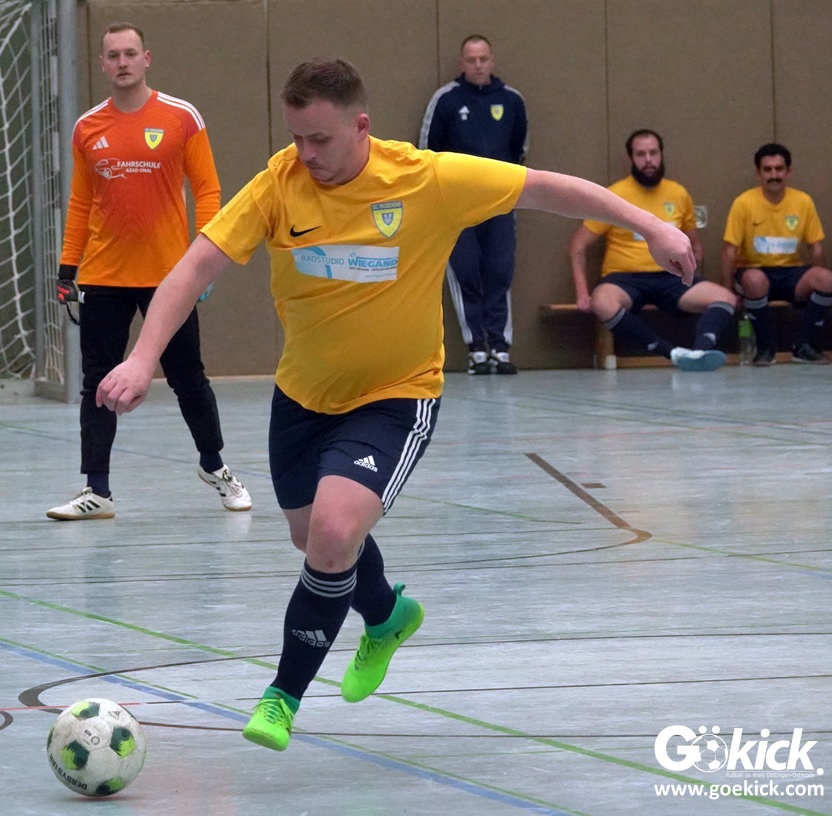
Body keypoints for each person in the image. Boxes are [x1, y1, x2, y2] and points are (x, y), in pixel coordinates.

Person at [97, 58, 696, 751]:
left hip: (396, 396)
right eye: (296, 138)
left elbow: (548, 189)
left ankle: (281, 697)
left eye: (320, 139)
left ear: (361, 126)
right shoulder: (279, 185)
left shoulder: (427, 179)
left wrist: (650, 226)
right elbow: (195, 266)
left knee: (332, 533)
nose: (306, 153)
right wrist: (142, 357)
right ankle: (385, 616)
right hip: (302, 396)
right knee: (313, 538)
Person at [46, 22, 250, 520]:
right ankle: (97, 490)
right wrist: (67, 269)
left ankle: (215, 466)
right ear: (102, 64)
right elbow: (80, 204)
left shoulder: (182, 117)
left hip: (168, 277)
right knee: (98, 383)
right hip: (102, 277)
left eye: (130, 53)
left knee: (188, 378)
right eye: (113, 55)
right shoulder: (87, 127)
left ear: (146, 59)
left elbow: (208, 191)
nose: (122, 62)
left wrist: (203, 262)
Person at [569, 129, 735, 371]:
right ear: (631, 158)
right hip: (624, 279)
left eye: (653, 153)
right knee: (602, 302)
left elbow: (695, 245)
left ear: (661, 154)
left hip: (671, 278)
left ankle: (700, 353)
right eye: (641, 154)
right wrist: (582, 293)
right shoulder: (614, 195)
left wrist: (691, 272)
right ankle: (672, 354)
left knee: (725, 298)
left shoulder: (678, 193)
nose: (648, 160)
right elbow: (578, 245)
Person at [419, 35, 528, 375]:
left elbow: (519, 149)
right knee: (465, 270)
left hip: (500, 200)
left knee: (499, 270)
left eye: (483, 58)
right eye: (471, 59)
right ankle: (476, 349)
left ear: (492, 60)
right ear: (461, 63)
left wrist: (505, 185)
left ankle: (500, 347)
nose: (478, 65)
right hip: (457, 204)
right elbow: (427, 151)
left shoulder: (511, 100)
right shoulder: (446, 99)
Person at [721, 142, 832, 366]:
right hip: (754, 272)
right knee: (755, 280)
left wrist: (819, 281)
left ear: (788, 172)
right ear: (758, 173)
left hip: (791, 273)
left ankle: (804, 347)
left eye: (779, 169)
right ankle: (765, 349)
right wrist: (726, 289)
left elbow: (816, 247)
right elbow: (729, 250)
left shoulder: (803, 201)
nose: (774, 175)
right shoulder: (743, 203)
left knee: (826, 279)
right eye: (767, 169)